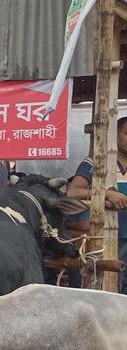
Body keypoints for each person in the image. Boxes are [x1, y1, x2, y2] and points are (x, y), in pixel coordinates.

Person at [67, 116, 127, 293]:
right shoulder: (96, 162)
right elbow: (73, 192)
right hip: (105, 238)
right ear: (114, 135)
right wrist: (108, 194)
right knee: (102, 286)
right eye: (126, 133)